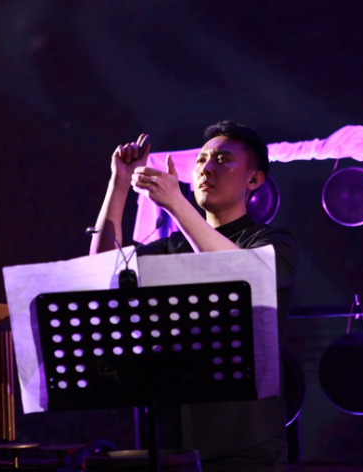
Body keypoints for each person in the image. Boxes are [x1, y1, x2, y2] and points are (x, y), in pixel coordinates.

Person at [89, 121, 297, 472]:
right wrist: (120, 182)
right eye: (201, 160)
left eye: (222, 159)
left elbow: (237, 272)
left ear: (254, 180)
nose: (206, 169)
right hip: (175, 439)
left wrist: (176, 204)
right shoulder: (172, 246)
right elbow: (100, 273)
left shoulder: (272, 243)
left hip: (244, 441)